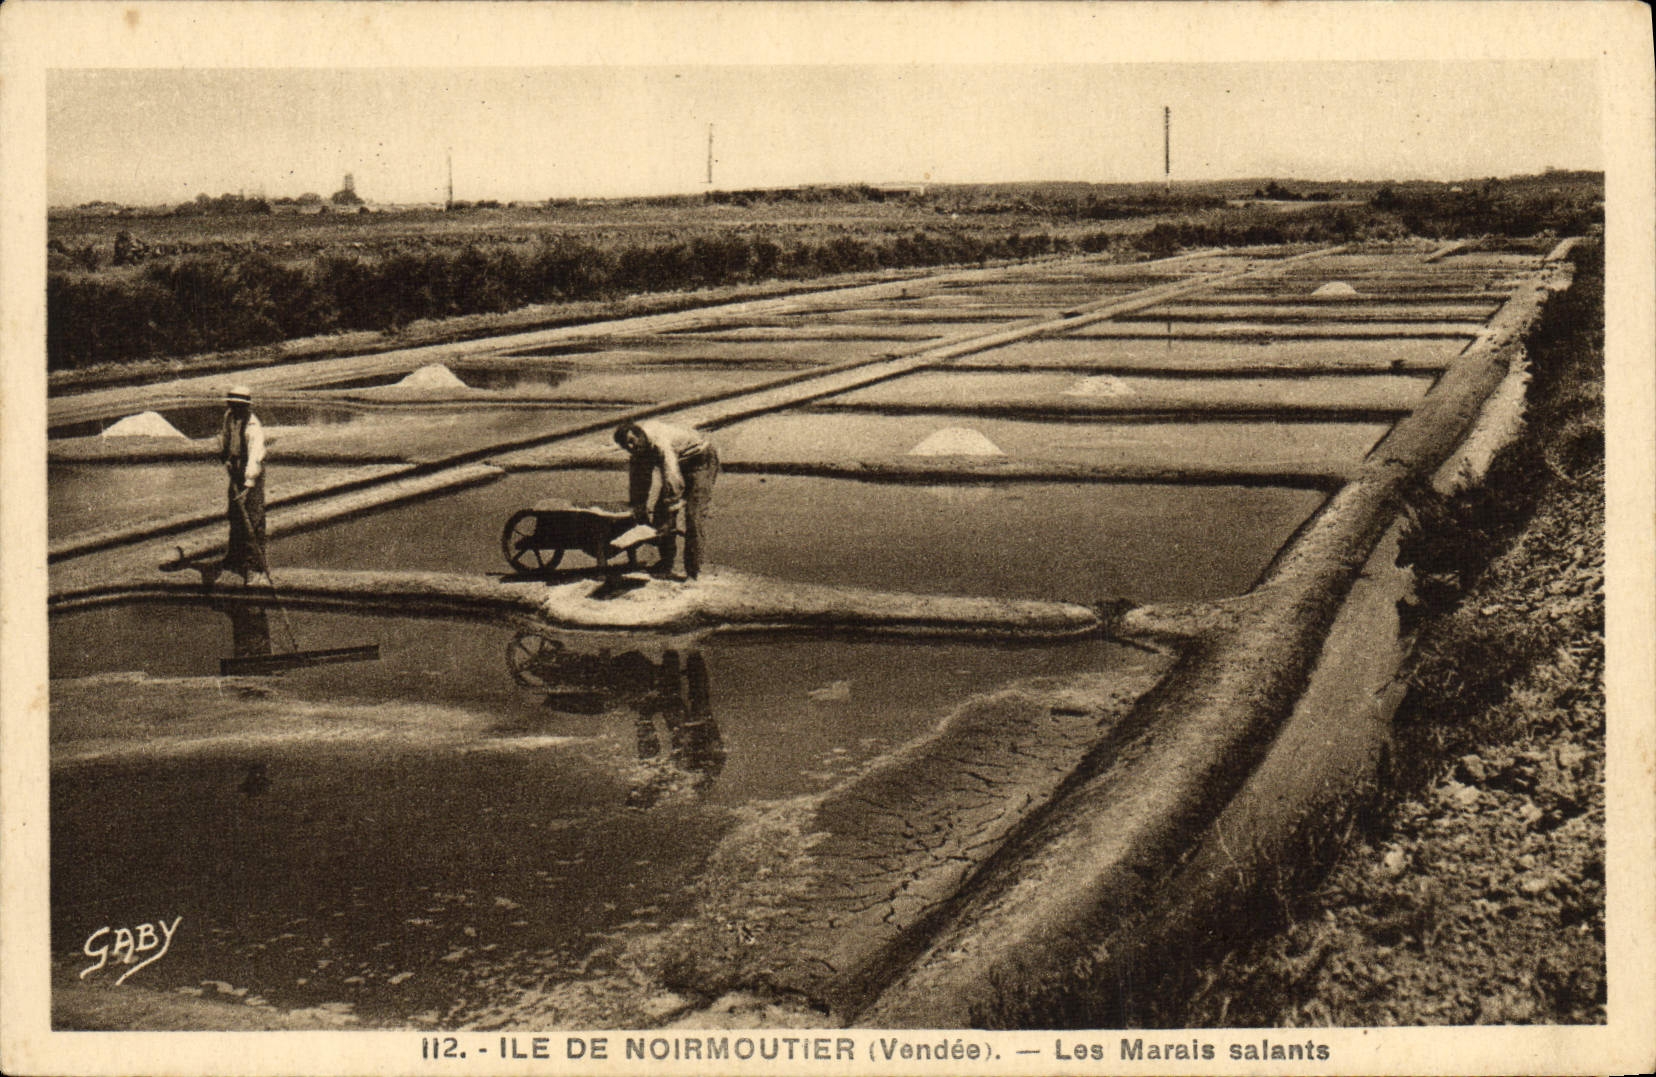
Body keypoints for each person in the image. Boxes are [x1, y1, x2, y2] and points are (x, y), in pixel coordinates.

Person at [614, 419, 720, 581]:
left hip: (701, 461)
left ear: (639, 435)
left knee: (693, 516)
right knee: (660, 514)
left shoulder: (659, 443)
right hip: (680, 463)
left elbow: (672, 476)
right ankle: (666, 562)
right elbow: (639, 482)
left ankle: (693, 571)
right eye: (625, 446)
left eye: (632, 442)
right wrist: (640, 508)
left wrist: (672, 508)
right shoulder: (638, 451)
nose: (631, 447)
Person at [219, 385, 267, 577]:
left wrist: (248, 483)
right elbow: (226, 439)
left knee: (252, 517)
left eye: (239, 405)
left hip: (251, 473)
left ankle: (254, 565)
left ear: (246, 406)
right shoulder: (229, 417)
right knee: (235, 513)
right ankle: (233, 558)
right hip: (236, 469)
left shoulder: (253, 426)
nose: (235, 408)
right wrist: (227, 458)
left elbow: (256, 455)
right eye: (233, 404)